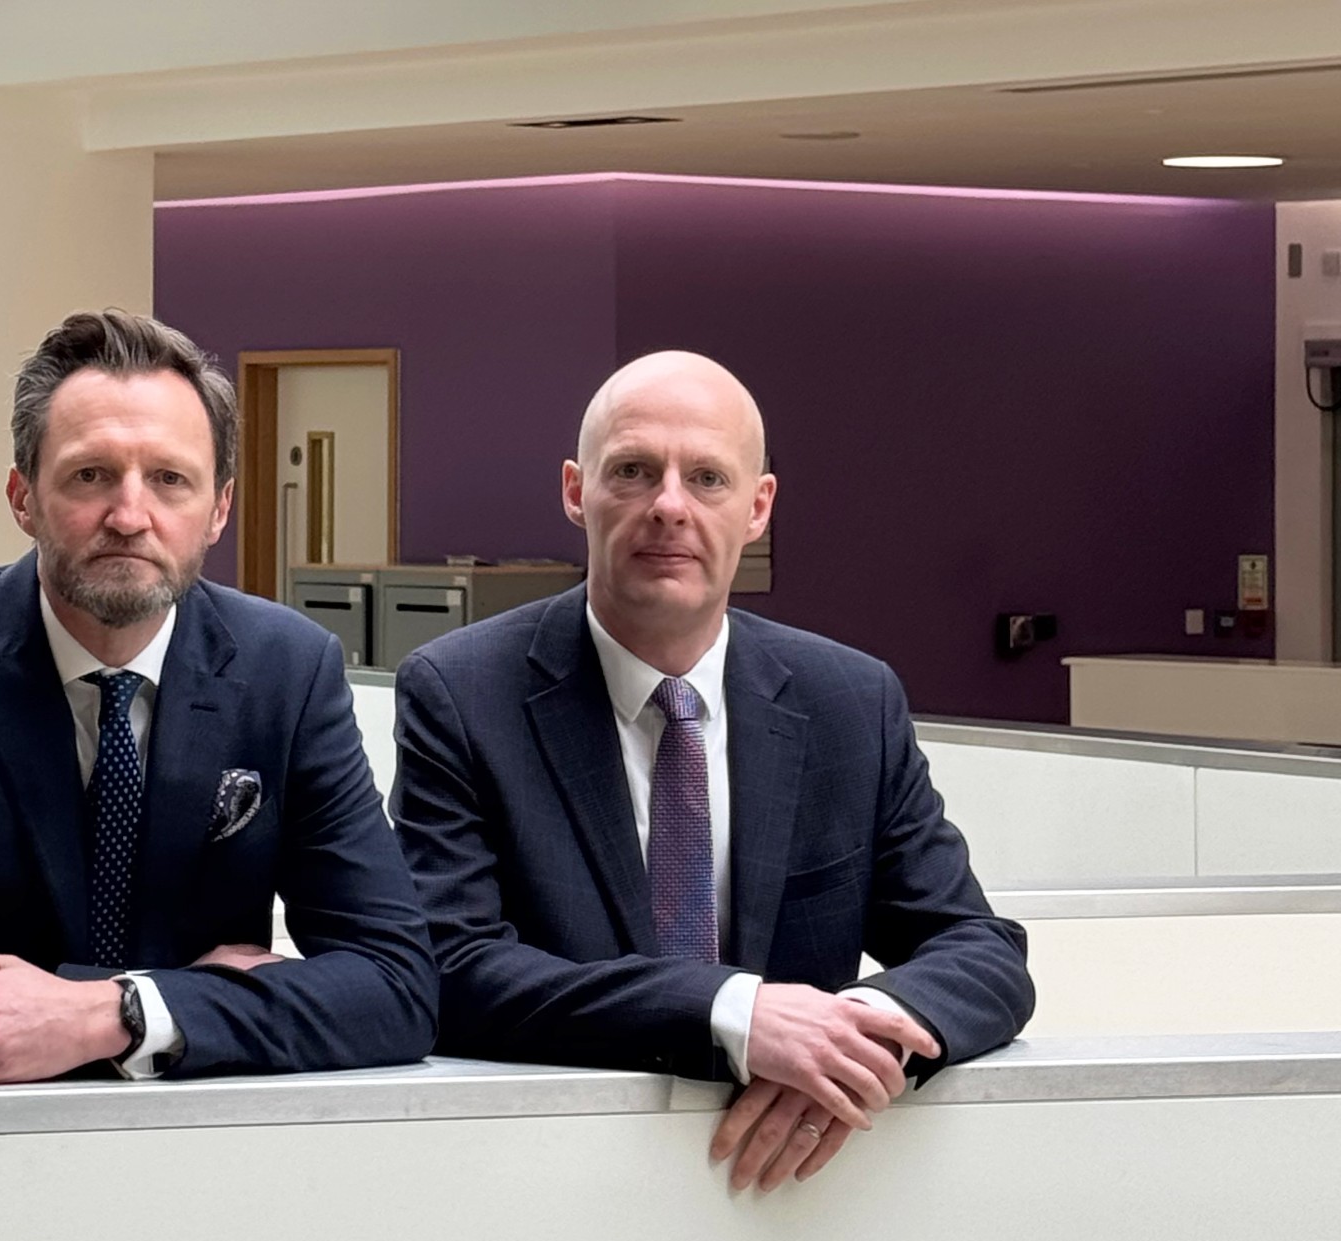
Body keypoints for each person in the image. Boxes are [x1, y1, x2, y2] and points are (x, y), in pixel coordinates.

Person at [390, 351, 1032, 1190]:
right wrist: (736, 1014)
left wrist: (853, 1034)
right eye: (632, 471)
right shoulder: (463, 693)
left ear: (757, 506)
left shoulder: (850, 702)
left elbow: (980, 951)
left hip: (791, 1200)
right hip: (553, 1181)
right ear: (576, 491)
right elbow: (448, 965)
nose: (669, 505)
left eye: (707, 477)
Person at [0, 310, 436, 1082]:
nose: (130, 517)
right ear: (23, 496)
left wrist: (118, 1012)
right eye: (90, 475)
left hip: (206, 1142)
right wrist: (200, 997)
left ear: (219, 508)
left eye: (170, 479)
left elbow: (396, 987)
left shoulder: (288, 671)